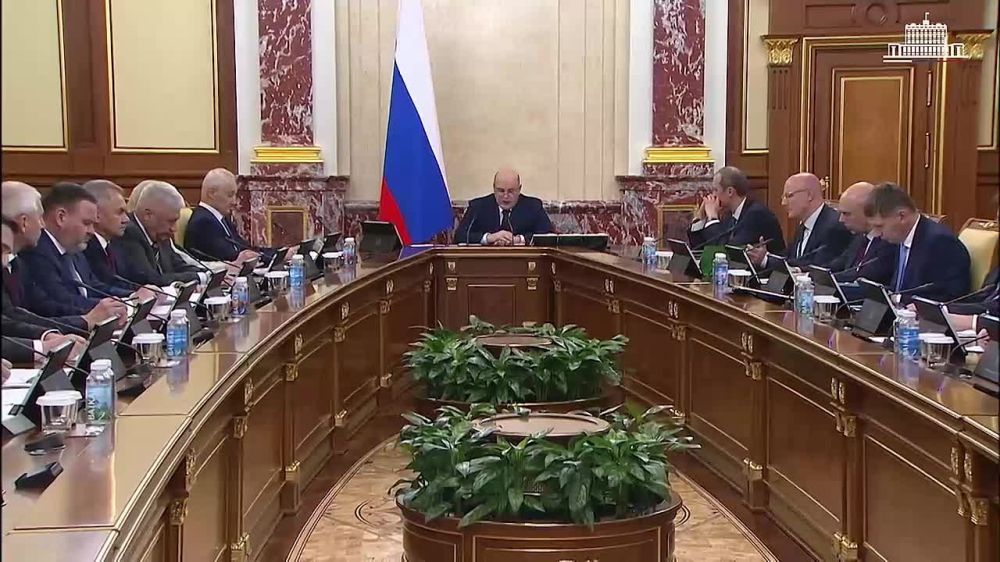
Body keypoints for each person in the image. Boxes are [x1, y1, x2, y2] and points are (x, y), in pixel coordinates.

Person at [3, 182, 128, 325]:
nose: (92, 232)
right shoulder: (36, 253)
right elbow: (48, 306)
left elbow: (93, 286)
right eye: (86, 223)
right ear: (61, 217)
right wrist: (87, 320)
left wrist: (122, 303)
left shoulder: (74, 249)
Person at [863, 182, 970, 303]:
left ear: (902, 216)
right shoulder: (897, 239)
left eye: (879, 226)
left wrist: (902, 300)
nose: (877, 234)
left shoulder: (940, 242)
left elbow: (951, 295)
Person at [115, 180, 211, 286]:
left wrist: (208, 274)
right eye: (171, 221)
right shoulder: (128, 233)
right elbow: (150, 279)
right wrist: (200, 277)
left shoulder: (160, 234)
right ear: (148, 215)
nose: (174, 229)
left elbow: (179, 265)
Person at [746, 173, 852, 269]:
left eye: (789, 196)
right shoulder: (804, 225)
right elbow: (790, 258)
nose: (783, 203)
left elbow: (812, 265)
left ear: (809, 195)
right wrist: (764, 256)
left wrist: (766, 260)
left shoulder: (834, 226)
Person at [687, 166, 785, 254]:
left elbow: (727, 252)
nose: (713, 195)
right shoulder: (729, 216)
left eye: (716, 190)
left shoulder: (756, 215)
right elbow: (699, 249)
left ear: (730, 191)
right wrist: (701, 218)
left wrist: (712, 218)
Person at [454, 168, 553, 245]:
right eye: (501, 191)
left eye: (511, 191)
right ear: (494, 188)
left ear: (519, 189)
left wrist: (518, 240)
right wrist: (489, 238)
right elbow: (459, 236)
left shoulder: (533, 207)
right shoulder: (478, 207)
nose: (505, 196)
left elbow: (548, 236)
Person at [184, 168, 259, 263]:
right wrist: (255, 256)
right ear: (211, 194)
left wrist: (271, 255)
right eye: (230, 195)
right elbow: (228, 255)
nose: (234, 202)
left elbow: (243, 246)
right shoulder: (203, 222)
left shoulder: (222, 219)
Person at [824, 182, 894, 281]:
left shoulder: (888, 242)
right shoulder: (860, 238)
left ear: (869, 212)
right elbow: (838, 265)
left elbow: (865, 277)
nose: (841, 220)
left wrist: (828, 279)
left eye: (846, 214)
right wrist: (809, 274)